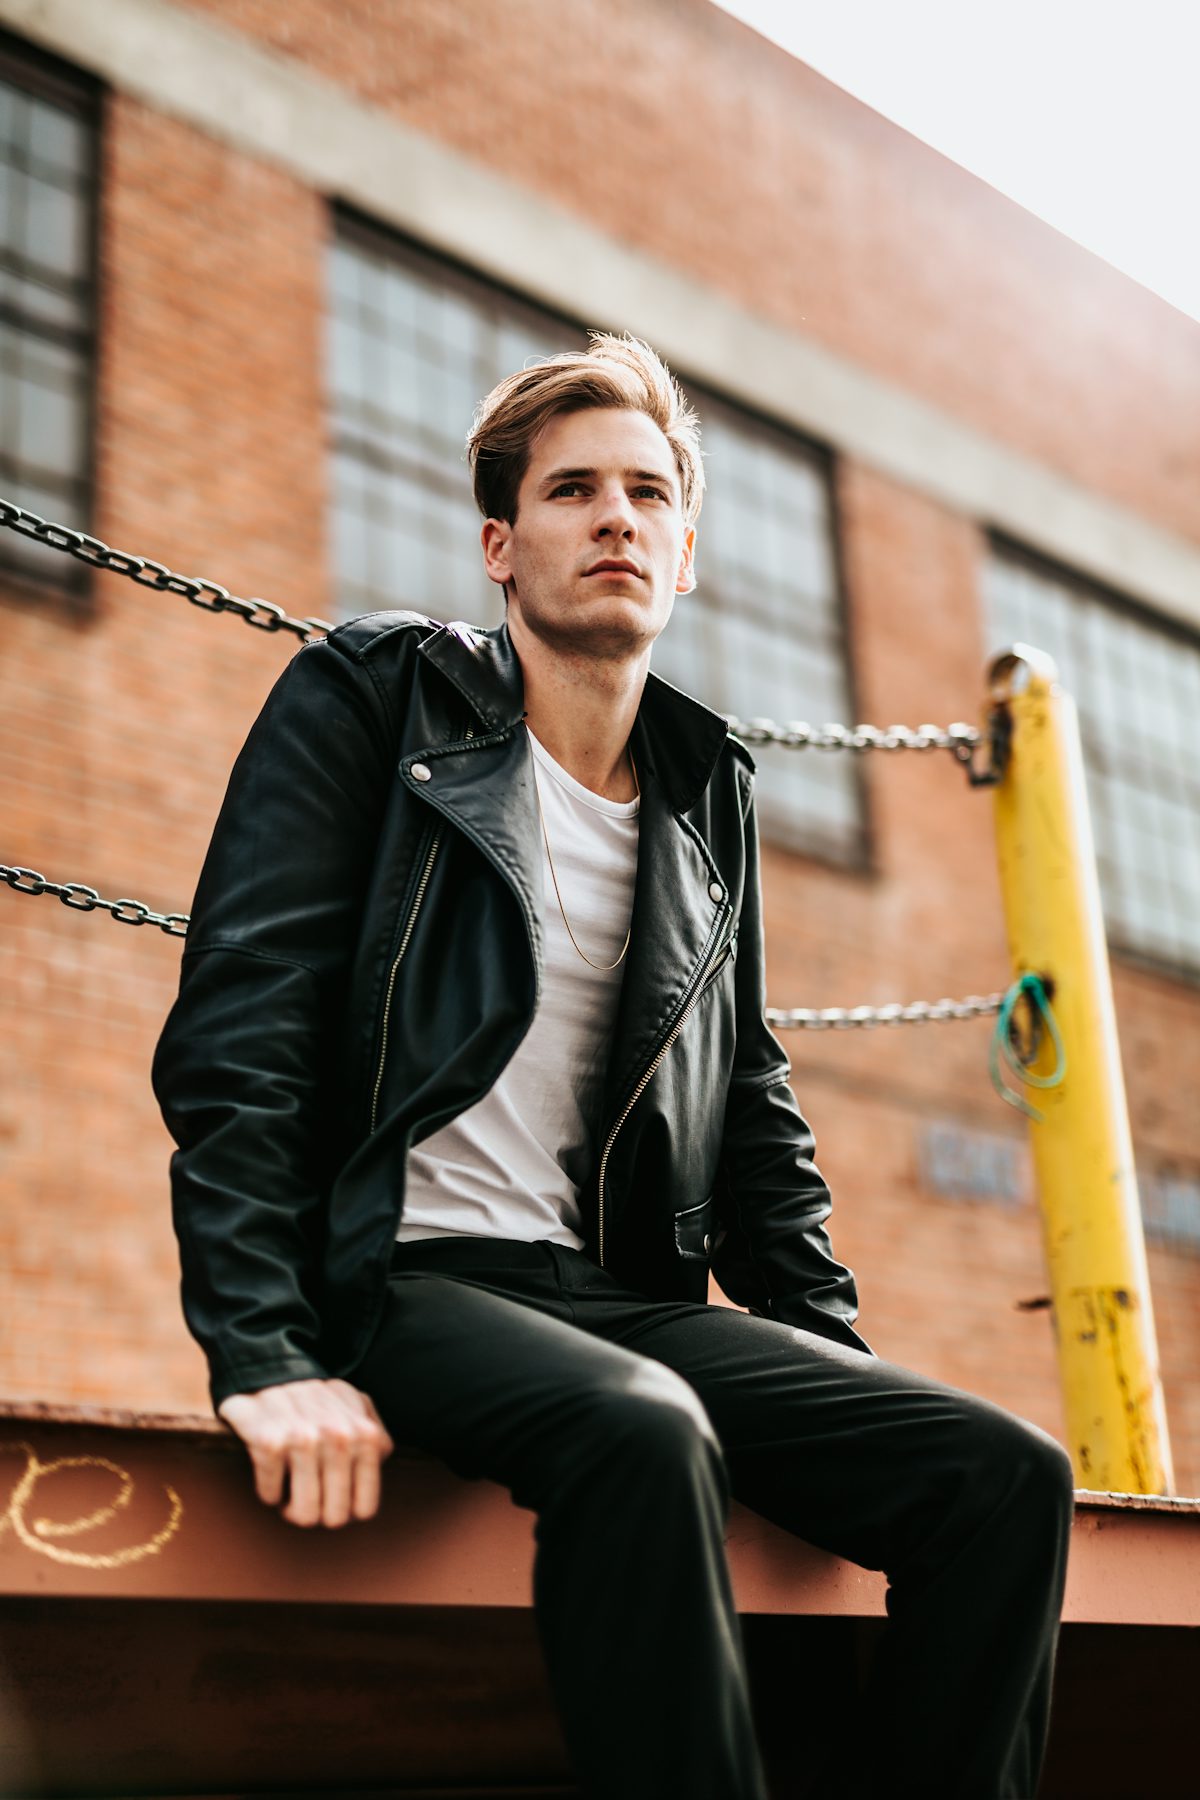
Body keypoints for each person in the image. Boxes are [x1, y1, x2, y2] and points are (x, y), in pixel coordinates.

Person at [152, 332, 1075, 1800]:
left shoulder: (707, 790)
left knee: (1006, 1476)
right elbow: (242, 1032)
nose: (616, 518)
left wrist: (819, 1358)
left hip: (625, 1299)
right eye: (574, 491)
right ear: (502, 546)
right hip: (402, 1275)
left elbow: (751, 1097)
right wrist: (261, 1351)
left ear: (688, 553)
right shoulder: (373, 701)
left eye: (648, 493)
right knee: (646, 1433)